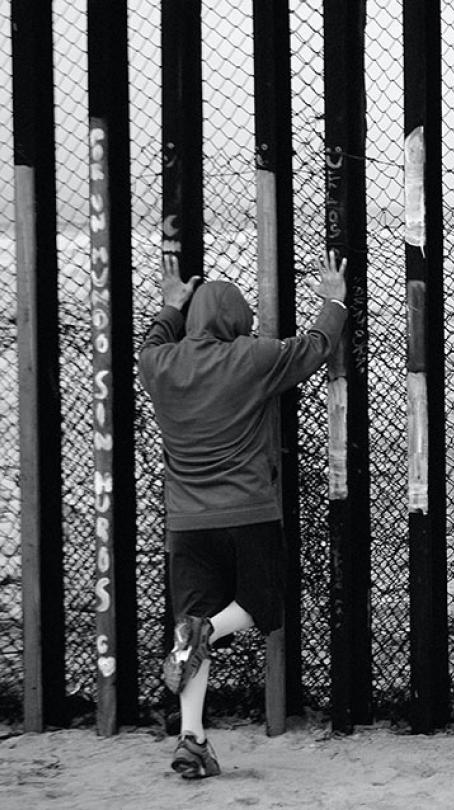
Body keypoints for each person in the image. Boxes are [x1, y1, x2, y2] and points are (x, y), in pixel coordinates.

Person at [138, 249, 347, 779]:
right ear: (235, 322)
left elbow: (154, 340)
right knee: (258, 603)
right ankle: (208, 629)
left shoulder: (158, 366)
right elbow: (315, 348)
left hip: (186, 522)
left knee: (189, 629)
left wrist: (171, 307)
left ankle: (192, 739)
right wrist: (334, 301)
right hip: (248, 510)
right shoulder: (250, 359)